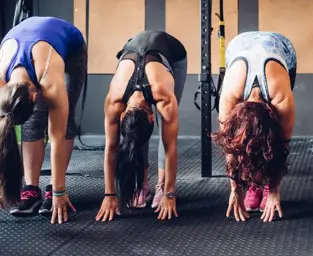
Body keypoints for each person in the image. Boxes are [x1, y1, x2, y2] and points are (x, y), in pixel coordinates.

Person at [0, 16, 87, 224]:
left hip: (70, 47)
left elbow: (56, 136)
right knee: (31, 123)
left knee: (62, 121)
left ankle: (52, 189)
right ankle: (31, 189)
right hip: (25, 42)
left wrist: (58, 192)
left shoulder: (49, 77)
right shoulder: (2, 79)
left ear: (34, 95)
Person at [95, 30, 187, 222]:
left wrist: (170, 194)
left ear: (153, 117)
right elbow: (111, 147)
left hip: (172, 52)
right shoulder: (115, 99)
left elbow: (171, 147)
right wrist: (109, 195)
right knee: (133, 134)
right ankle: (141, 185)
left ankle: (161, 185)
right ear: (121, 116)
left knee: (167, 127)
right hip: (131, 48)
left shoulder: (164, 97)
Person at [213, 31, 297, 223]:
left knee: (267, 145)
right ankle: (253, 182)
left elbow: (282, 145)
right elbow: (230, 148)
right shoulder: (229, 97)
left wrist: (275, 190)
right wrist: (235, 189)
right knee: (243, 144)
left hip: (281, 45)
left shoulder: (281, 97)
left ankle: (264, 183)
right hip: (239, 44)